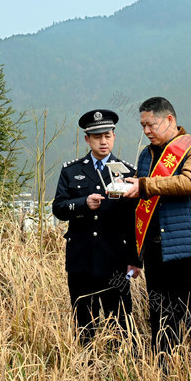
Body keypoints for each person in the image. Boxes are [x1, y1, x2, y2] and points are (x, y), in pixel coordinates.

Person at [122, 97, 191, 363]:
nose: (146, 131)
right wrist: (136, 256)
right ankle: (165, 373)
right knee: (161, 319)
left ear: (170, 120)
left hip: (190, 248)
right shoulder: (146, 155)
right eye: (142, 126)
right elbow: (142, 205)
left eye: (150, 124)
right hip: (155, 251)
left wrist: (146, 185)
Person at [52, 108, 141, 342]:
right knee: (84, 324)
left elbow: (133, 220)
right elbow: (59, 208)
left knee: (121, 323)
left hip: (115, 260)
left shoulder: (128, 172)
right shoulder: (72, 171)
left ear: (114, 136)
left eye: (108, 136)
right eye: (97, 137)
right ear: (87, 139)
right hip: (82, 259)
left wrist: (135, 261)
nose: (103, 142)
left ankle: (121, 372)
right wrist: (83, 203)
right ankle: (87, 371)